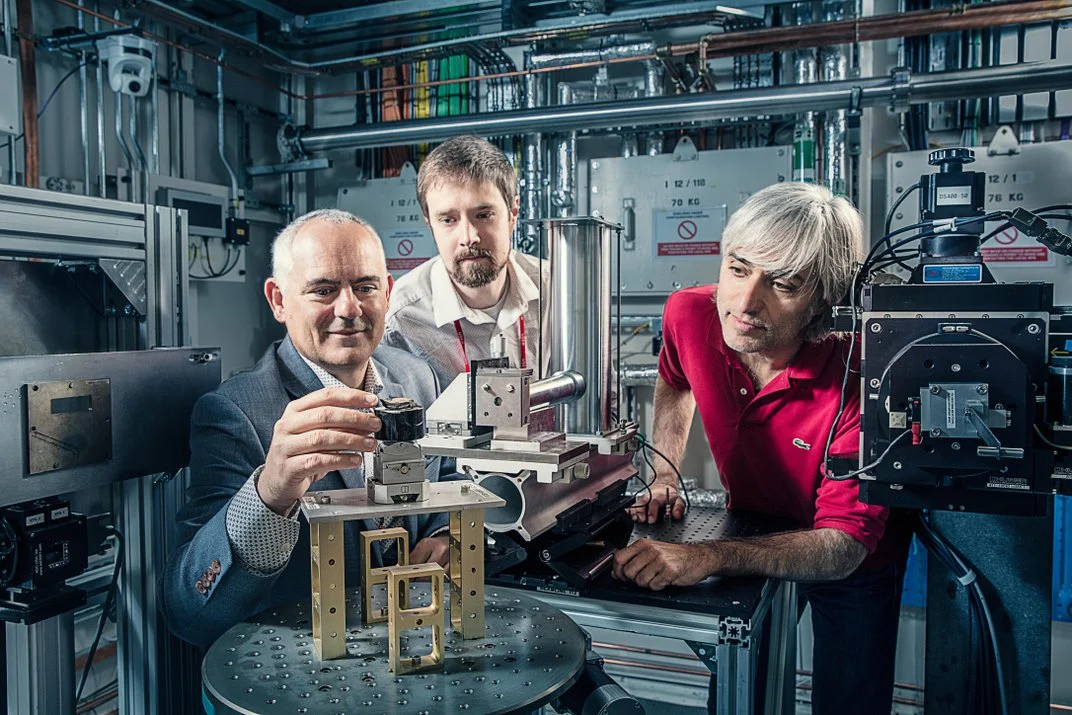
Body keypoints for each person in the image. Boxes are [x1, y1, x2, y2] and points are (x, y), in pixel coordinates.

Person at [613, 183, 910, 715]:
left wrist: (706, 557)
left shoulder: (864, 368)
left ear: (825, 297)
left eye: (784, 284)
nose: (746, 303)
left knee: (850, 700)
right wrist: (663, 473)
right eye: (739, 267)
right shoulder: (690, 313)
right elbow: (675, 379)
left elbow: (842, 546)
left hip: (853, 552)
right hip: (751, 524)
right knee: (737, 691)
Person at [161, 209, 456, 648]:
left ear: (388, 291)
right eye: (323, 289)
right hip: (309, 671)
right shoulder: (235, 412)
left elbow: (446, 477)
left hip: (412, 648)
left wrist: (444, 533)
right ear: (279, 300)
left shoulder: (418, 377)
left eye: (365, 286)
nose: (349, 308)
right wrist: (269, 494)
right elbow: (188, 611)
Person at [383, 135, 550, 388]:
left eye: (483, 215)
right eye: (448, 220)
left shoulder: (558, 293)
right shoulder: (401, 320)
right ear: (430, 225)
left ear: (513, 214)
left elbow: (603, 401)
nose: (469, 237)